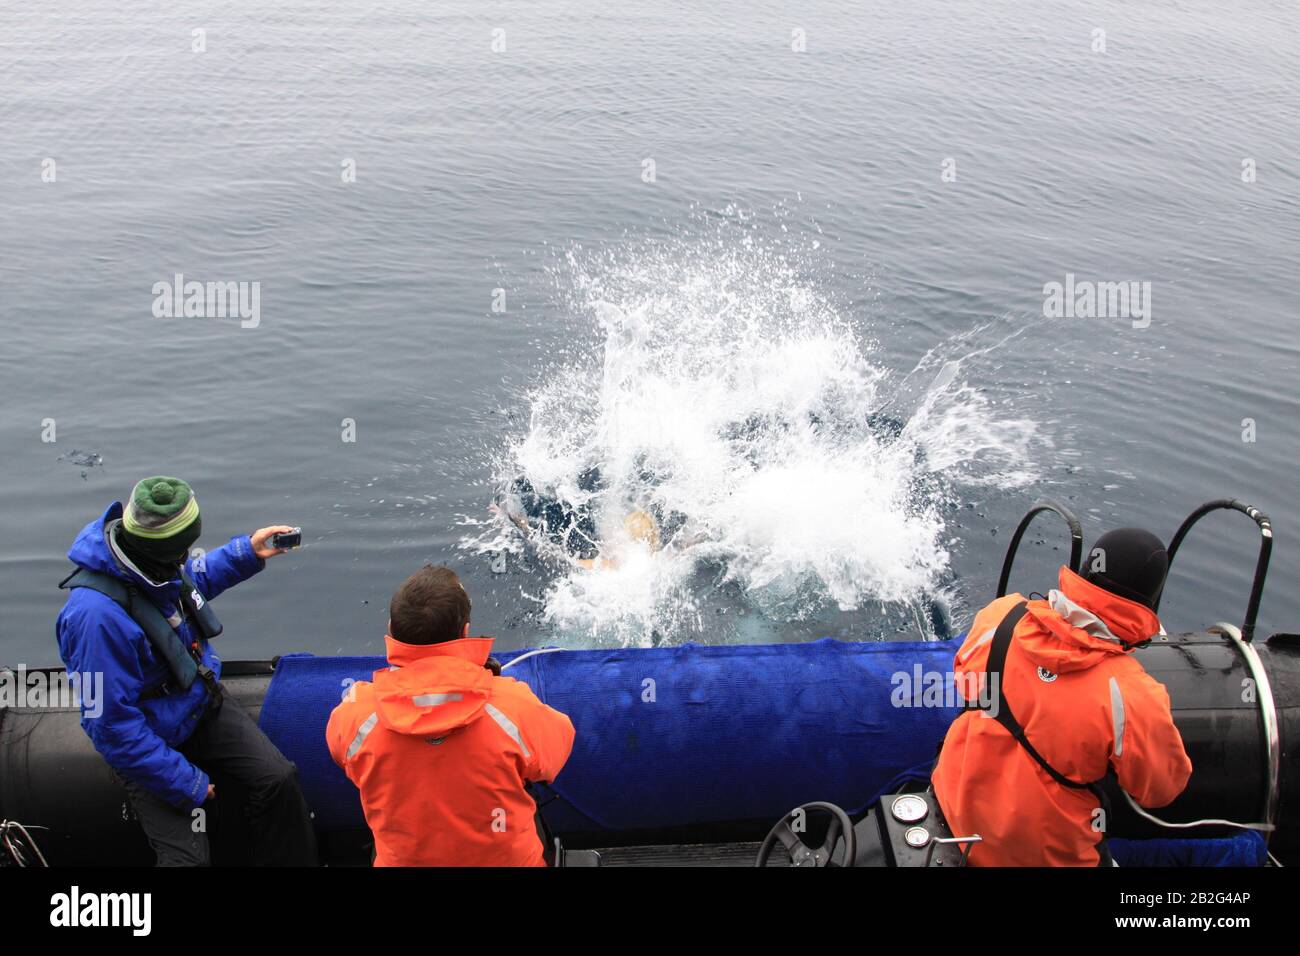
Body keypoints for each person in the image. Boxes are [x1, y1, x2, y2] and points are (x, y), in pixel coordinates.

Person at [55, 476, 317, 866]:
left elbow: (195, 579)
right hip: (149, 739)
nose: (186, 557)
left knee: (277, 780)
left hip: (199, 705)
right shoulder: (93, 621)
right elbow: (110, 726)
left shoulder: (150, 561)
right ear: (160, 551)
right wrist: (187, 781)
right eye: (181, 551)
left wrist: (249, 551)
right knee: (186, 861)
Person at [931, 527, 1192, 866]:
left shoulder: (1001, 617)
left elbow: (964, 678)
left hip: (952, 811)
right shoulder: (1131, 694)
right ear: (1147, 603)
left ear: (1084, 572)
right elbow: (1160, 790)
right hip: (1041, 855)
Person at [326, 565, 575, 866]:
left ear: (391, 629)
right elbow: (556, 754)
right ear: (465, 633)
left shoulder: (354, 715)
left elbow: (345, 759)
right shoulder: (511, 706)